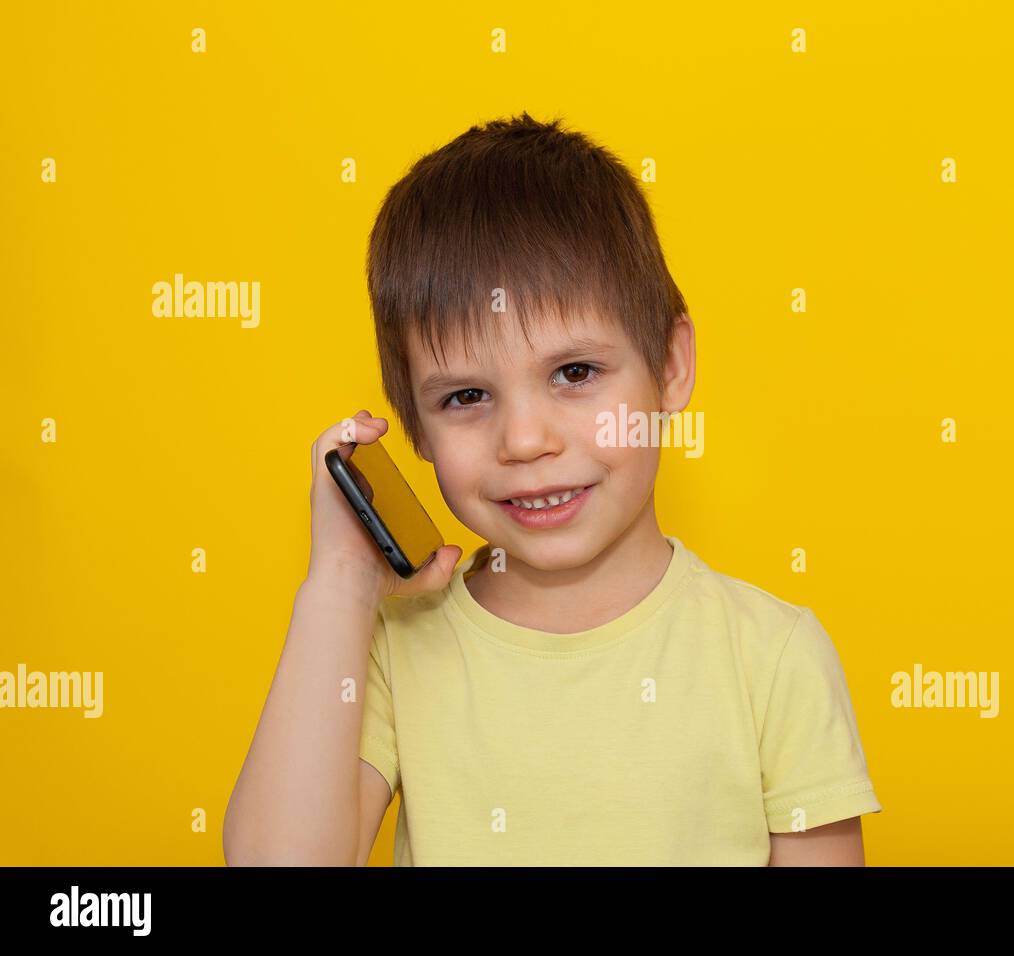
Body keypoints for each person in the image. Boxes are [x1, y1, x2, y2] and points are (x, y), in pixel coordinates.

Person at [223, 112, 883, 866]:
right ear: (414, 425)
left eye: (575, 373)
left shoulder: (772, 658)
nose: (525, 441)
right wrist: (340, 582)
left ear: (670, 365)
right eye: (466, 396)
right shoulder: (390, 653)